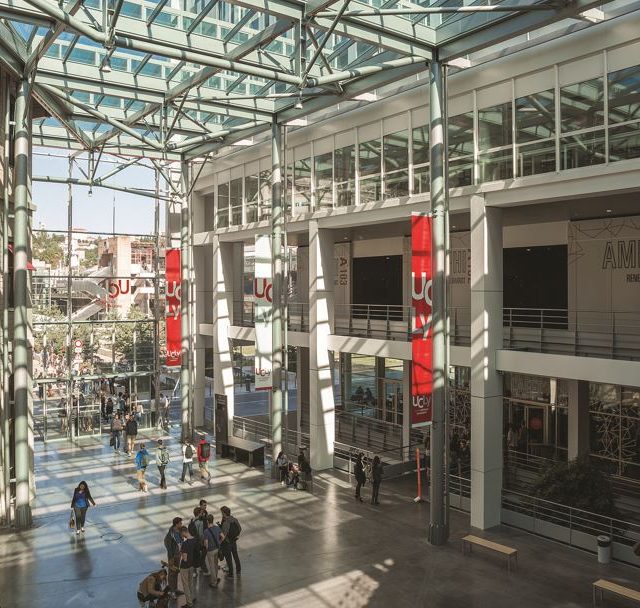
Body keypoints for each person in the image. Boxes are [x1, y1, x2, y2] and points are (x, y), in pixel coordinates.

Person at [219, 506, 242, 577]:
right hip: (234, 541)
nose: (221, 514)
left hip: (227, 543)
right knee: (235, 556)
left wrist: (219, 542)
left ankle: (231, 573)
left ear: (224, 513)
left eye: (222, 513)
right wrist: (236, 536)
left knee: (229, 558)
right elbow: (240, 528)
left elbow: (224, 535)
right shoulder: (234, 519)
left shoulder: (226, 523)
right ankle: (238, 570)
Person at [163, 517, 183, 597]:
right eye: (180, 523)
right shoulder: (171, 534)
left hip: (178, 555)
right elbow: (167, 544)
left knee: (176, 571)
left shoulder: (178, 531)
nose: (181, 524)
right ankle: (172, 591)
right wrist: (171, 557)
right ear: (176, 524)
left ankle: (175, 589)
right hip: (173, 556)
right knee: (172, 573)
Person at [179, 526, 198, 608]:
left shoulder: (185, 544)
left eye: (181, 534)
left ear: (183, 532)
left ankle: (189, 603)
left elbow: (185, 559)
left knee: (185, 585)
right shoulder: (195, 540)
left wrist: (181, 551)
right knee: (191, 583)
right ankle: (192, 597)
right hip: (192, 565)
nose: (181, 536)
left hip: (185, 566)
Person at [204, 514, 222, 588]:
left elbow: (206, 543)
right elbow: (223, 536)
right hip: (217, 549)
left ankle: (214, 582)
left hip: (210, 551)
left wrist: (206, 548)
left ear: (207, 521)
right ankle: (216, 578)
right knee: (215, 565)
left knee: (211, 567)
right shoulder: (217, 528)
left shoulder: (206, 531)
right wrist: (219, 542)